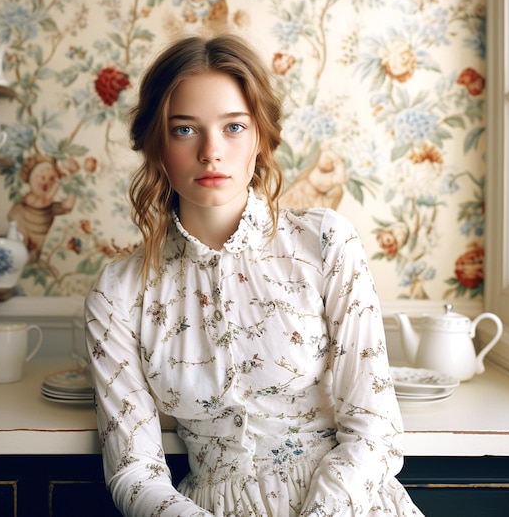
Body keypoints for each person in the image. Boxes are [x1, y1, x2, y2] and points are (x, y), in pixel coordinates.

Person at [85, 33, 424, 516]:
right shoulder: (119, 291)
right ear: (156, 144)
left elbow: (375, 429)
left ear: (261, 136)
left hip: (347, 503)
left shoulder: (326, 243)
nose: (211, 152)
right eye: (185, 129)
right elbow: (134, 470)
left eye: (234, 127)